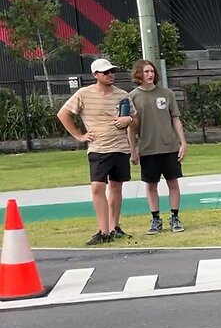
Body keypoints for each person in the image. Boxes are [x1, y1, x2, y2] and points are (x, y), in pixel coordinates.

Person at [56, 57, 135, 245]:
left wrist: (129, 121)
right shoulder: (84, 94)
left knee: (117, 187)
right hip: (99, 148)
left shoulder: (122, 94)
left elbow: (136, 119)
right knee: (97, 187)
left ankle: (114, 227)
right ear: (95, 75)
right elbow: (63, 114)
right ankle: (103, 230)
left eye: (111, 72)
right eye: (105, 72)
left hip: (120, 147)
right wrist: (79, 135)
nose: (110, 75)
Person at [127, 59, 187, 234]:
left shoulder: (167, 93)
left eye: (152, 71)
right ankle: (155, 219)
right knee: (151, 185)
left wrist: (182, 142)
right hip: (147, 149)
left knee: (173, 183)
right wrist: (133, 150)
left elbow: (175, 118)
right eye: (146, 72)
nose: (150, 74)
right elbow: (130, 127)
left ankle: (175, 217)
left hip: (169, 147)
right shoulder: (132, 97)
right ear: (139, 74)